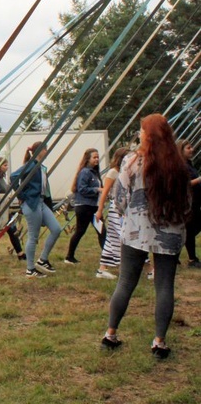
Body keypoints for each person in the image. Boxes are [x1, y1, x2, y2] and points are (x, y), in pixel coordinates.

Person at [102, 114, 190, 359]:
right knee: (164, 286)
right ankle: (159, 341)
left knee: (126, 282)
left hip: (135, 230)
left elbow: (119, 199)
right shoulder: (179, 165)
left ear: (148, 134)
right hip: (169, 232)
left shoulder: (131, 162)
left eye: (141, 130)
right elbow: (186, 203)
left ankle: (111, 333)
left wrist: (127, 214)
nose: (139, 134)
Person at [11, 141, 62, 278]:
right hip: (31, 203)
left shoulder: (41, 167)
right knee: (33, 236)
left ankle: (43, 259)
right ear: (40, 151)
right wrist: (22, 195)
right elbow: (13, 177)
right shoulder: (31, 165)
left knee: (56, 229)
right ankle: (30, 268)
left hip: (41, 203)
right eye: (46, 149)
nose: (47, 152)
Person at [64, 148, 106, 264]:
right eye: (94, 157)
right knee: (81, 231)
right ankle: (69, 256)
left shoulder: (95, 172)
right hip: (85, 207)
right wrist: (97, 189)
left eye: (98, 157)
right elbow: (82, 189)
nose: (97, 159)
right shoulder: (85, 172)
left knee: (101, 231)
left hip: (93, 206)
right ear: (88, 159)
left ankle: (107, 256)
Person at [94, 147, 129, 279]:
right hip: (116, 209)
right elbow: (105, 192)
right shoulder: (113, 172)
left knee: (111, 239)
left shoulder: (125, 172)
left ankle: (102, 269)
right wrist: (99, 210)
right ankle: (147, 268)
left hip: (124, 208)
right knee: (126, 237)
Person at [0, 156, 25, 260]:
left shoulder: (1, 178)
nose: (7, 167)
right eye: (5, 165)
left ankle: (20, 253)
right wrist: (4, 196)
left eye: (7, 165)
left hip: (5, 209)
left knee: (12, 229)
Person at [178, 139, 201, 268]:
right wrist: (198, 180)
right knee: (189, 231)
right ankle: (192, 259)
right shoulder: (181, 166)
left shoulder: (189, 164)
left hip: (195, 203)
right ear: (181, 150)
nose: (192, 149)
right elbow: (184, 184)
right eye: (188, 147)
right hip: (188, 204)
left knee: (189, 231)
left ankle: (177, 256)